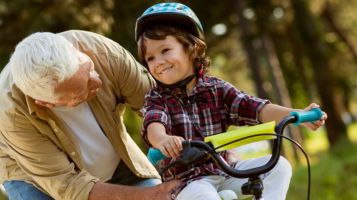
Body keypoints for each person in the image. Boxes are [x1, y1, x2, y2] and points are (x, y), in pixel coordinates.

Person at [134, 3, 328, 200]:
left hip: (225, 171)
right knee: (204, 196)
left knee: (279, 166)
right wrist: (163, 140)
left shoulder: (217, 89)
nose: (157, 62)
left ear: (191, 48)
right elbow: (153, 125)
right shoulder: (156, 97)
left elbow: (257, 109)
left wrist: (299, 114)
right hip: (188, 183)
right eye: (150, 58)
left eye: (165, 50)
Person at [0, 30, 184, 200]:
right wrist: (150, 194)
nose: (97, 82)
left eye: (88, 68)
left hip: (113, 157)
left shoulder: (103, 53)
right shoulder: (12, 116)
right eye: (82, 90)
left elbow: (161, 106)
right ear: (47, 103)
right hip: (35, 176)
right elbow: (71, 186)